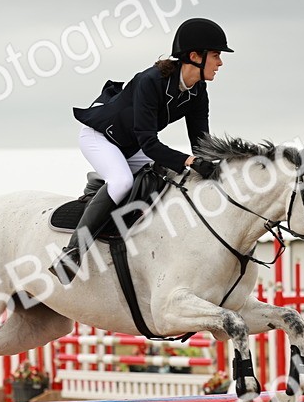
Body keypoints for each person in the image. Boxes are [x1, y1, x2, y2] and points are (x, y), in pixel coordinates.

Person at [49, 17, 232, 284]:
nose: (220, 63)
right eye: (216, 55)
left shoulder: (197, 90)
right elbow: (150, 143)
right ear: (194, 56)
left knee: (169, 177)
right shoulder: (151, 81)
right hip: (102, 137)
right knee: (122, 181)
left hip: (132, 143)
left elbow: (201, 143)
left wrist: (218, 166)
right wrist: (191, 161)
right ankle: (72, 252)